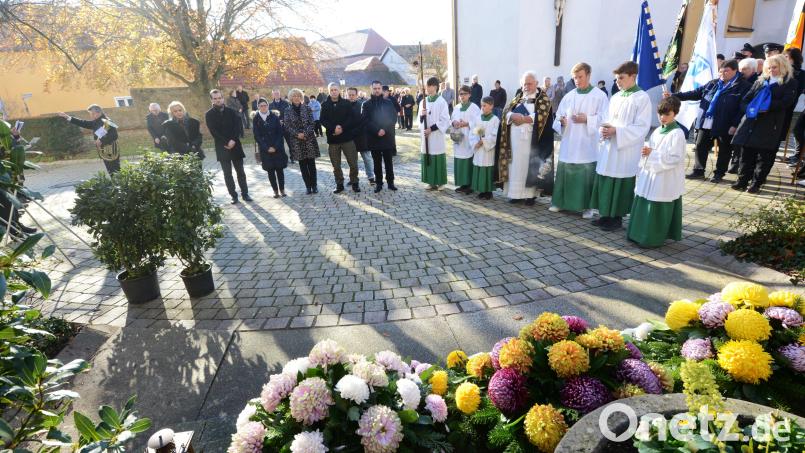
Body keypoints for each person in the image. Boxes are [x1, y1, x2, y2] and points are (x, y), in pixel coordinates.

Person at [591, 61, 652, 231]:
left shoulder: (642, 97)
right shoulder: (617, 96)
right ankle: (605, 215)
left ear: (633, 76)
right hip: (610, 146)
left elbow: (642, 127)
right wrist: (604, 129)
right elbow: (609, 117)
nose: (617, 82)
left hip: (625, 149)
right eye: (616, 79)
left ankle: (616, 219)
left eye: (621, 78)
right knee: (606, 178)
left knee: (619, 182)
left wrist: (617, 132)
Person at [668, 59, 750, 183]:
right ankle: (699, 171)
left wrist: (734, 125)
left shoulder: (743, 86)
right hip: (706, 121)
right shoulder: (713, 83)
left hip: (726, 123)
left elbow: (741, 109)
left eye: (726, 71)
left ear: (735, 71)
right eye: (720, 72)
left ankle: (719, 174)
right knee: (700, 145)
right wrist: (675, 95)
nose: (722, 75)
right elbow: (695, 93)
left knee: (724, 149)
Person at [731, 54, 798, 193]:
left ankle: (756, 183)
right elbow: (746, 99)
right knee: (746, 154)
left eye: (775, 67)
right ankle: (742, 181)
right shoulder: (761, 81)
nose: (772, 70)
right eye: (769, 67)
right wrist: (749, 109)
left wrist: (764, 106)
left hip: (770, 124)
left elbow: (786, 102)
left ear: (783, 67)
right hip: (751, 122)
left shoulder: (789, 83)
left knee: (764, 157)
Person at [550, 62, 609, 219]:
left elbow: (605, 118)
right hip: (569, 141)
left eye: (580, 77)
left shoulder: (599, 96)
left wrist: (587, 119)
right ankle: (560, 202)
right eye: (575, 77)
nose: (577, 80)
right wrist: (561, 121)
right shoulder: (569, 96)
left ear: (589, 75)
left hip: (587, 143)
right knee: (565, 170)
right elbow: (557, 116)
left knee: (587, 173)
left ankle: (587, 207)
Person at [627, 96, 686, 248]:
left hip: (664, 177)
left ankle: (651, 238)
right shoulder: (658, 130)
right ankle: (637, 234)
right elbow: (650, 148)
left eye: (667, 114)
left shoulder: (677, 134)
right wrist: (646, 153)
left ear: (675, 113)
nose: (663, 117)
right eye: (660, 114)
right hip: (651, 174)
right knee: (644, 199)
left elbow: (675, 158)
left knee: (656, 203)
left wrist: (652, 153)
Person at [499, 71, 555, 205]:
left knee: (529, 165)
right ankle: (515, 194)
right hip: (514, 141)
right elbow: (506, 111)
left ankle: (530, 195)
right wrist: (511, 116)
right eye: (524, 84)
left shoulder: (543, 99)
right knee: (515, 166)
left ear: (536, 83)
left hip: (532, 142)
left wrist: (525, 118)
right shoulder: (518, 98)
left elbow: (544, 117)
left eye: (530, 83)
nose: (527, 86)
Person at [206, 89, 251, 204]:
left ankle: (245, 194)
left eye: (219, 98)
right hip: (222, 147)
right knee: (227, 174)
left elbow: (237, 127)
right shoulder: (209, 114)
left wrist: (232, 140)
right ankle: (234, 196)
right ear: (211, 100)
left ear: (222, 98)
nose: (218, 100)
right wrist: (226, 142)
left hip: (235, 145)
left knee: (241, 172)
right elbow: (213, 131)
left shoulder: (232, 111)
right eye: (215, 98)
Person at [320, 82, 360, 193]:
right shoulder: (324, 105)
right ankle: (339, 184)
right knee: (336, 165)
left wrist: (341, 127)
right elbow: (323, 120)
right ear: (329, 91)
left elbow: (351, 119)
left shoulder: (346, 103)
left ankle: (354, 182)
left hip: (347, 137)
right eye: (331, 90)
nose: (334, 91)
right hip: (333, 140)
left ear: (339, 90)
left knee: (353, 163)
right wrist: (334, 129)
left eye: (335, 89)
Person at [57, 105, 121, 173]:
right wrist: (67, 117)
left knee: (115, 170)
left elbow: (114, 136)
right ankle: (117, 183)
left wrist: (101, 140)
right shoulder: (96, 121)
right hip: (104, 152)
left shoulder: (107, 121)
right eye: (91, 114)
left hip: (111, 151)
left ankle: (120, 183)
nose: (91, 116)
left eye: (93, 114)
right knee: (111, 171)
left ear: (99, 112)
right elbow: (83, 123)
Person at [363, 81, 398, 192]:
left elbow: (393, 118)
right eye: (375, 88)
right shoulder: (366, 104)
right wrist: (377, 130)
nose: (377, 90)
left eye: (379, 88)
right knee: (376, 162)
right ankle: (379, 183)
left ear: (381, 89)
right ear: (371, 89)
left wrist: (384, 129)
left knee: (389, 162)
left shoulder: (388, 103)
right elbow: (365, 120)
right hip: (374, 138)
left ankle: (391, 182)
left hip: (387, 137)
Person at [285, 88, 320, 194]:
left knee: (311, 164)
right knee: (303, 165)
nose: (296, 98)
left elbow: (312, 123)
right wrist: (297, 134)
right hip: (297, 141)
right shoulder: (287, 110)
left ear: (301, 97)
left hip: (309, 139)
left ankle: (314, 186)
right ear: (291, 98)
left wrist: (305, 133)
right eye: (294, 96)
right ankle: (308, 187)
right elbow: (287, 125)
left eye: (298, 96)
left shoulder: (307, 108)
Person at [419, 77, 452, 190]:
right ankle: (431, 182)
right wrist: (422, 116)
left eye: (429, 86)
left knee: (437, 156)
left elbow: (445, 120)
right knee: (428, 155)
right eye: (426, 86)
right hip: (426, 136)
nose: (427, 88)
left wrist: (431, 129)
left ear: (435, 87)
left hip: (436, 135)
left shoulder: (441, 102)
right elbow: (420, 120)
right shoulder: (423, 102)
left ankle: (440, 182)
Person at [253, 98, 288, 198]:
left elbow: (280, 132)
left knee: (279, 170)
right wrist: (266, 147)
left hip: (277, 148)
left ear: (268, 106)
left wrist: (275, 146)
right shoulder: (256, 119)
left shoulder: (274, 116)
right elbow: (257, 135)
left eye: (265, 105)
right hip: (265, 149)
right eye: (261, 106)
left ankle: (282, 189)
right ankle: (275, 191)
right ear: (258, 107)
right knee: (270, 171)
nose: (263, 107)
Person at [450, 85, 481, 194]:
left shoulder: (474, 107)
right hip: (458, 137)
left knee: (468, 160)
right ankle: (462, 184)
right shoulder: (457, 107)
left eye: (464, 94)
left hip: (469, 137)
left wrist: (466, 123)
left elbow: (478, 123)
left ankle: (470, 185)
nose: (462, 96)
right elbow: (452, 118)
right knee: (459, 159)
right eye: (460, 94)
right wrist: (454, 123)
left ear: (469, 95)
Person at [470, 97, 500, 200]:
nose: (482, 108)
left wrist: (484, 141)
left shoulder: (495, 119)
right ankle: (480, 190)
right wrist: (475, 143)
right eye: (481, 105)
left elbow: (495, 135)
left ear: (491, 106)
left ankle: (488, 191)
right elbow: (473, 133)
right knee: (479, 166)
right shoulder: (478, 118)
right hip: (479, 148)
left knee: (487, 168)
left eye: (484, 105)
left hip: (488, 149)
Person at [347, 87, 375, 184]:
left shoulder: (361, 105)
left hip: (362, 135)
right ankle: (353, 178)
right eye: (349, 95)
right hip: (350, 136)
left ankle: (371, 176)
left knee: (367, 158)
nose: (351, 96)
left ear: (357, 95)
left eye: (352, 95)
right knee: (352, 160)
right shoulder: (345, 106)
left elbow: (364, 120)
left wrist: (356, 130)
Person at [270, 90, 293, 164]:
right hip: (276, 128)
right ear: (273, 95)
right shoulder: (270, 105)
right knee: (280, 144)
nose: (276, 95)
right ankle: (283, 158)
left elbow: (289, 113)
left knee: (290, 142)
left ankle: (293, 157)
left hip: (285, 126)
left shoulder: (285, 103)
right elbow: (270, 116)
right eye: (275, 94)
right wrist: (276, 122)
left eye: (277, 93)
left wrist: (283, 120)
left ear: (279, 94)